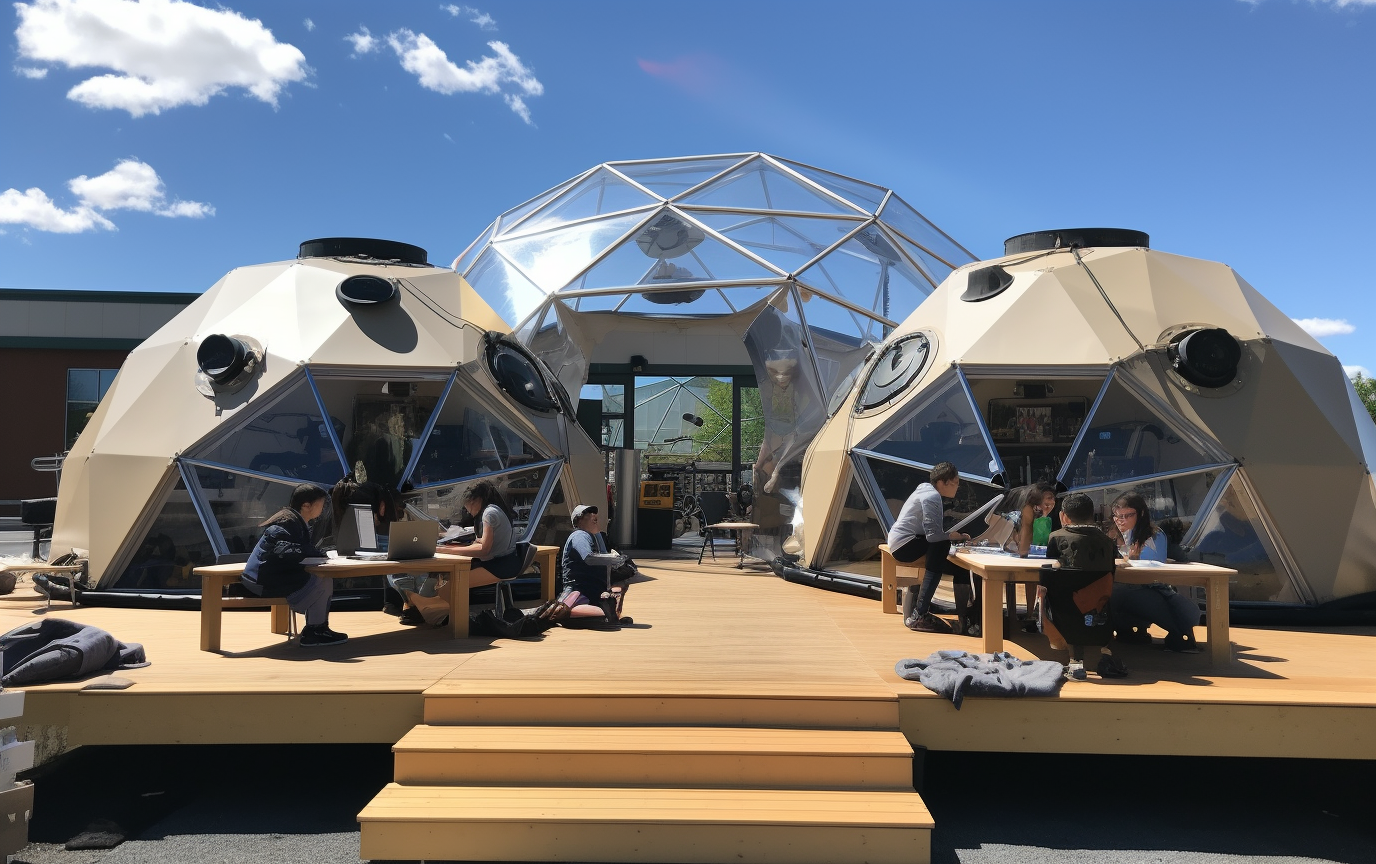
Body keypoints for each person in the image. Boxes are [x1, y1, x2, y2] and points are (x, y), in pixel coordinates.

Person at [400, 480, 524, 626]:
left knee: (449, 588)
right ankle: (442, 616)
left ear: (477, 500)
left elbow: (484, 549)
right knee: (445, 580)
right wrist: (450, 548)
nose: (467, 509)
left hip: (500, 566)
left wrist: (443, 549)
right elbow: (480, 543)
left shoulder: (489, 514)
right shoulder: (492, 510)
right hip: (501, 562)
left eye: (467, 504)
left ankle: (456, 622)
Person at [241, 483, 346, 648]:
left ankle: (317, 628)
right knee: (322, 580)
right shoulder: (287, 523)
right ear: (306, 506)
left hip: (265, 576)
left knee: (321, 579)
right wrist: (313, 553)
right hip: (261, 581)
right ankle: (315, 631)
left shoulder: (291, 519)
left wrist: (312, 553)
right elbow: (282, 548)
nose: (323, 508)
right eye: (320, 504)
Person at [1043, 493, 1127, 680]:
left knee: (1064, 601)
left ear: (1064, 516)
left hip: (1065, 605)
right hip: (1098, 603)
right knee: (1096, 601)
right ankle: (1107, 655)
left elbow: (1048, 572)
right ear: (1093, 515)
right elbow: (1111, 572)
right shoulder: (1106, 540)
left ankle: (1075, 662)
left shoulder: (1056, 537)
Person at [887, 461, 972, 634]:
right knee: (941, 545)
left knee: (961, 568)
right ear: (942, 482)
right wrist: (954, 537)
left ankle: (966, 619)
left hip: (904, 541)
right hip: (904, 545)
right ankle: (920, 613)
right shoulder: (932, 496)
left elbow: (931, 531)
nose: (957, 486)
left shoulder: (926, 489)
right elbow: (934, 536)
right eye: (954, 482)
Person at [1109, 493, 1200, 652]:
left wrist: (1133, 559)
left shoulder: (1153, 535)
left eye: (1127, 515)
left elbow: (1152, 571)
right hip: (1119, 586)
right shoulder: (1111, 534)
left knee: (1129, 595)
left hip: (1146, 587)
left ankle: (1180, 633)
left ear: (1141, 513)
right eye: (1117, 516)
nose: (1121, 520)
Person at [560, 504, 632, 627]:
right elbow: (589, 558)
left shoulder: (596, 536)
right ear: (579, 520)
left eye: (594, 513)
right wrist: (614, 560)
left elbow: (603, 561)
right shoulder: (579, 535)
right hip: (579, 589)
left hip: (595, 588)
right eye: (588, 513)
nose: (594, 515)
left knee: (620, 585)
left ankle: (607, 612)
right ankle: (603, 613)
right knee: (571, 611)